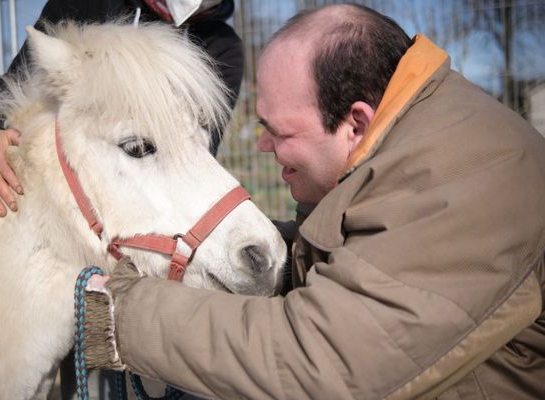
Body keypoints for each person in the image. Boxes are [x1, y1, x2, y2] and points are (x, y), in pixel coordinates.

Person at [82, 3, 545, 399]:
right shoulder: (417, 142)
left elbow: (320, 363)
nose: (262, 146)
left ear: (355, 124)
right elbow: (359, 267)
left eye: (278, 131)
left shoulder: (467, 175)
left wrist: (115, 312)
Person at [0, 0, 243, 217]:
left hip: (145, 210)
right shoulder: (91, 4)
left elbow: (195, 158)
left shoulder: (222, 47)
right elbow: (21, 77)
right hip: (59, 191)